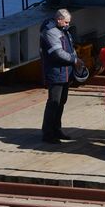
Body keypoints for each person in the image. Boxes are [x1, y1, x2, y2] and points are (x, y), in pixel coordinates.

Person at [39, 8, 77, 144]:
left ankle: (57, 129)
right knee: (53, 103)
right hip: (56, 73)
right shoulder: (51, 32)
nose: (68, 24)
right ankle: (48, 133)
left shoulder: (63, 31)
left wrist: (74, 57)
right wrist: (74, 60)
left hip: (64, 72)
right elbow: (58, 53)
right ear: (59, 19)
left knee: (61, 102)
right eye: (66, 22)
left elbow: (70, 48)